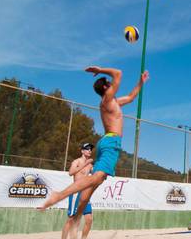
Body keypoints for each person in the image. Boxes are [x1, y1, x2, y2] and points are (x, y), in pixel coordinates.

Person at [40, 66, 149, 216]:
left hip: (106, 141)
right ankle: (59, 195)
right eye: (109, 82)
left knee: (95, 181)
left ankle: (76, 217)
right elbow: (118, 73)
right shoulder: (108, 98)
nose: (113, 83)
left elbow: (130, 97)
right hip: (111, 142)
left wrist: (140, 82)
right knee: (96, 177)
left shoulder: (113, 102)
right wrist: (100, 69)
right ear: (105, 87)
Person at [60, 143, 94, 239]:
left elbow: (97, 174)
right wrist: (85, 164)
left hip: (85, 193)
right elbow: (71, 172)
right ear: (82, 151)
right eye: (87, 149)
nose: (89, 151)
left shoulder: (90, 165)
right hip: (76, 192)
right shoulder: (77, 161)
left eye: (90, 149)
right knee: (71, 219)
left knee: (89, 219)